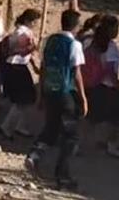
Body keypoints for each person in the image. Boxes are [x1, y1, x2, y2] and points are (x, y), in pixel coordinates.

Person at [25, 10, 88, 190]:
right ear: (76, 26)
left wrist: (41, 94)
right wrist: (83, 98)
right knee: (71, 134)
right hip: (65, 91)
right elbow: (76, 73)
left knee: (51, 127)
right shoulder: (74, 45)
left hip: (49, 89)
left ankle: (35, 155)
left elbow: (43, 67)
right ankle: (62, 175)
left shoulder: (49, 41)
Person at [81, 14, 119, 158]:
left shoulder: (90, 42)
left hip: (92, 84)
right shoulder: (111, 47)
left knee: (91, 118)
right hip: (107, 87)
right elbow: (110, 71)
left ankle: (78, 144)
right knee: (114, 119)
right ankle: (112, 145)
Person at [0, 9, 41, 139]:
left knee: (25, 98)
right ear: (28, 21)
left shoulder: (22, 31)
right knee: (23, 99)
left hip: (18, 66)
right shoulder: (22, 33)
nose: (35, 24)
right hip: (16, 66)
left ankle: (19, 125)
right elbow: (19, 51)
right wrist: (32, 49)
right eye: (34, 21)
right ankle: (6, 127)